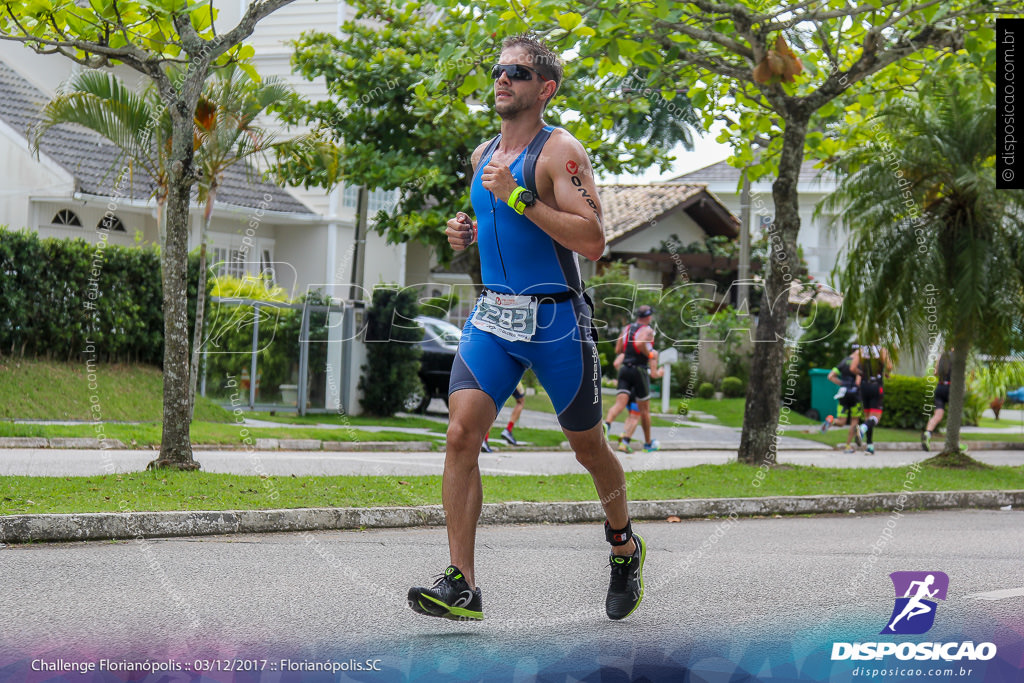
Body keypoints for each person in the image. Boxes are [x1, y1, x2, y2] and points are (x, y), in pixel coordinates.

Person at [408, 34, 645, 623]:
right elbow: (493, 228)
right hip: (493, 314)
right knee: (462, 433)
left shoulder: (559, 153)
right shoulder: (481, 154)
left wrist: (516, 198)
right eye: (498, 70)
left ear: (545, 88)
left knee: (589, 449)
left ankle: (624, 546)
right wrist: (464, 233)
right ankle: (462, 582)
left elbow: (593, 240)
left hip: (556, 318)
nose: (502, 79)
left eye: (516, 72)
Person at [603, 306, 659, 452]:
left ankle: (607, 425)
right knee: (644, 410)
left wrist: (628, 354)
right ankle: (648, 443)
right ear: (648, 317)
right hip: (639, 370)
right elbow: (640, 344)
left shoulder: (627, 328)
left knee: (620, 404)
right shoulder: (648, 330)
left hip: (624, 369)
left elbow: (617, 350)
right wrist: (650, 354)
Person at [612, 349, 664, 453]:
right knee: (635, 416)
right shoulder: (651, 352)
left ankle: (623, 434)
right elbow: (654, 374)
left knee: (631, 415)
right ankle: (625, 442)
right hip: (638, 388)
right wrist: (660, 373)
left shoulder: (628, 352)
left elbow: (616, 363)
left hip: (627, 387)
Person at [850, 343, 892, 455]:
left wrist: (862, 374)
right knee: (875, 418)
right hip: (876, 385)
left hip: (864, 385)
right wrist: (885, 372)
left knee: (868, 417)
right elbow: (889, 366)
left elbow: (853, 368)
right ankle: (862, 429)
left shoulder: (861, 350)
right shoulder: (881, 350)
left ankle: (870, 446)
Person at [827, 347, 863, 453]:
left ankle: (831, 421)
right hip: (855, 395)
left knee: (841, 421)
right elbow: (858, 382)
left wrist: (842, 384)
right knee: (854, 421)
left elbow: (830, 376)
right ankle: (847, 446)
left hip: (843, 393)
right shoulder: (858, 363)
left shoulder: (843, 362)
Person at [922, 349, 952, 451]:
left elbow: (935, 372)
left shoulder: (941, 355)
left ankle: (928, 433)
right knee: (954, 415)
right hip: (951, 389)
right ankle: (954, 441)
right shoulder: (957, 356)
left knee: (937, 415)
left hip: (940, 387)